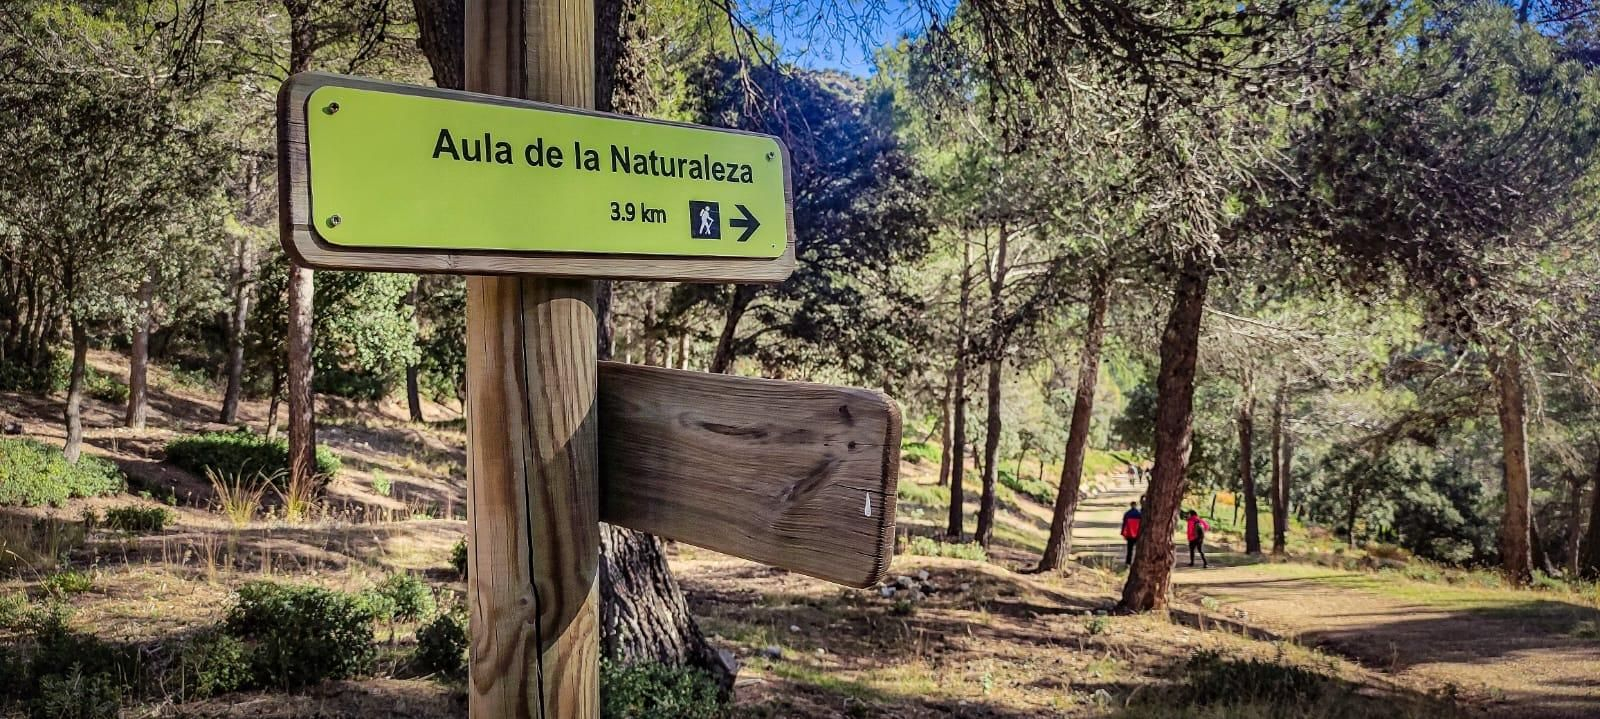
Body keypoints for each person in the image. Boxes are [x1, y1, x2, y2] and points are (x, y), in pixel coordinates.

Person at [1120, 500, 1142, 565]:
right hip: (1138, 534)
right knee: (1139, 549)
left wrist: (1123, 533)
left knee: (1130, 549)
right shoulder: (1139, 514)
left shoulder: (1127, 514)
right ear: (1136, 505)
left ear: (1131, 505)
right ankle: (1138, 562)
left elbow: (1124, 524)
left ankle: (1128, 562)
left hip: (1129, 534)